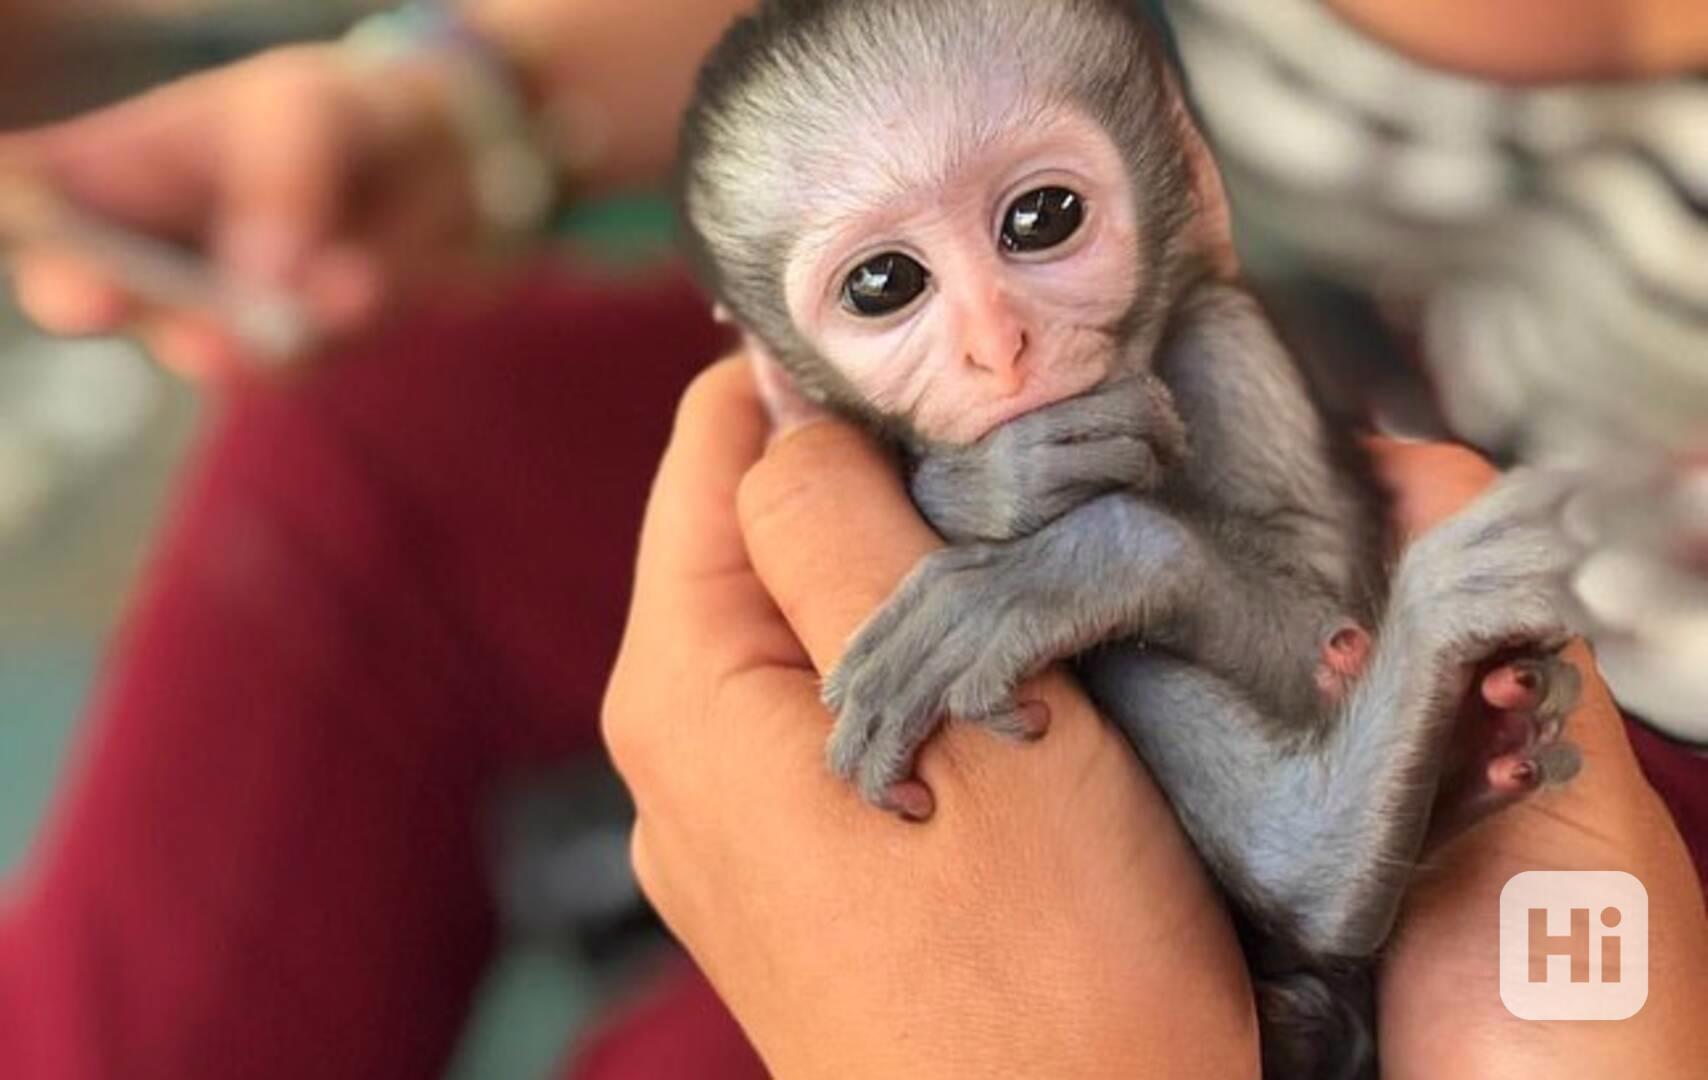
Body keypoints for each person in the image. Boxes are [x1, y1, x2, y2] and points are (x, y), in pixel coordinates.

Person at [1, 2, 1704, 1077]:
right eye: (881, 289)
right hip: (1245, 355)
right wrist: (471, 100)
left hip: (1616, 663)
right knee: (365, 436)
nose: (972, 333)